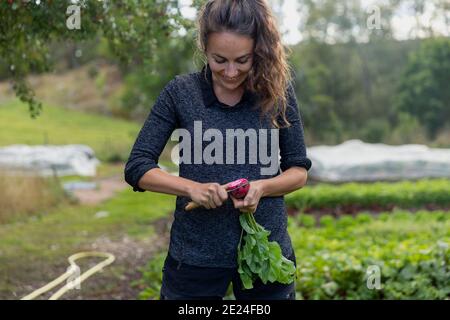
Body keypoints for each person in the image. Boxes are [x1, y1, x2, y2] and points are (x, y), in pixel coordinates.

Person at [124, 0, 312, 300]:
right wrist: (192, 189)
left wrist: (261, 188)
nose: (231, 71)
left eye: (243, 60)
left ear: (259, 51)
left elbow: (298, 171)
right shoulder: (180, 93)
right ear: (204, 47)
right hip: (195, 255)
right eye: (219, 60)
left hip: (266, 253)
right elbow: (137, 167)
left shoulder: (277, 90)